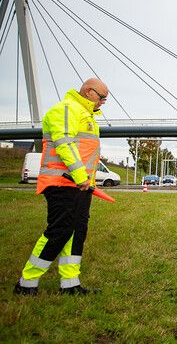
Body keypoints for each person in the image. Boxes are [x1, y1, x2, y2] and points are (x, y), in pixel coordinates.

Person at [14, 78, 108, 296]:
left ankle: (70, 284)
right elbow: (63, 143)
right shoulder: (65, 109)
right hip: (62, 183)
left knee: (77, 232)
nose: (103, 102)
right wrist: (79, 175)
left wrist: (85, 181)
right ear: (87, 91)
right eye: (101, 97)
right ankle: (26, 282)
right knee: (59, 230)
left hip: (81, 185)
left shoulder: (87, 116)